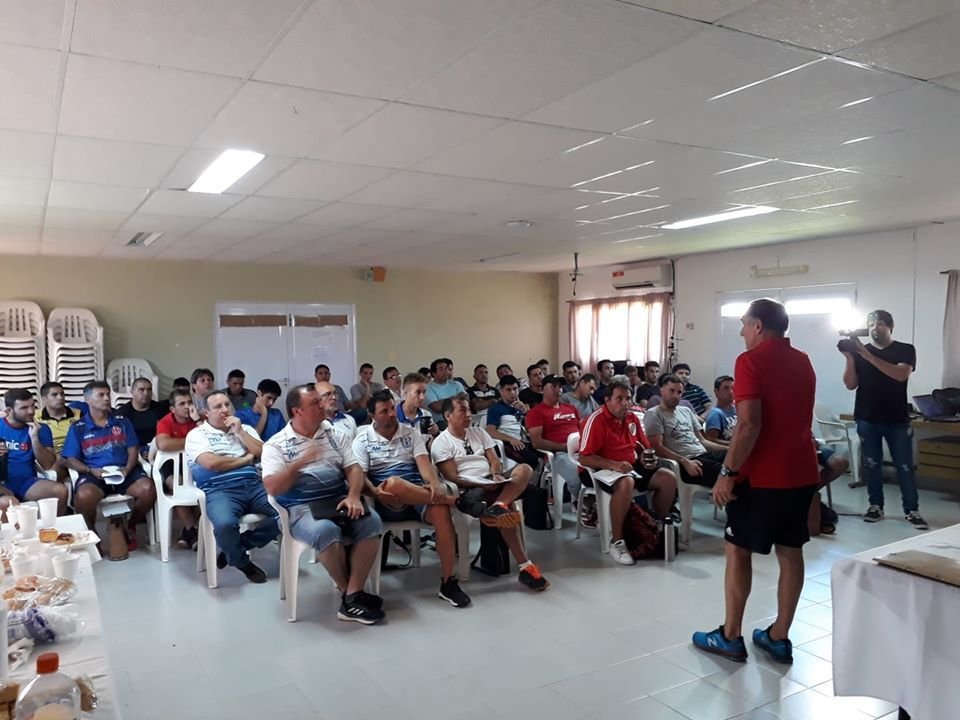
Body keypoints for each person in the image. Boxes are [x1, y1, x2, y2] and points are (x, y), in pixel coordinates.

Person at [692, 298, 820, 665]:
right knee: (790, 551)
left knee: (737, 549)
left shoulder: (750, 361)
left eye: (745, 324)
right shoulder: (803, 360)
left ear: (760, 326)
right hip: (800, 471)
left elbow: (749, 424)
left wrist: (727, 474)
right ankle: (779, 636)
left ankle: (730, 636)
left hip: (762, 476)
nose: (742, 331)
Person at [262, 383, 385, 625]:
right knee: (326, 531)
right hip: (300, 508)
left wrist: (353, 495)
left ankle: (352, 596)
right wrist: (299, 463)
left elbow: (354, 468)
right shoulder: (276, 444)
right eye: (315, 403)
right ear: (297, 411)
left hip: (336, 500)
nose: (323, 406)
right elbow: (272, 487)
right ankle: (350, 595)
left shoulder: (333, 434)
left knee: (372, 522)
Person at [353, 390, 470, 608]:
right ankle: (456, 501)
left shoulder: (410, 433)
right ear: (372, 416)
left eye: (391, 409)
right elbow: (361, 478)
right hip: (386, 500)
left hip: (418, 497)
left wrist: (434, 483)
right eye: (384, 411)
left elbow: (424, 465)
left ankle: (448, 582)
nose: (391, 414)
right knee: (394, 483)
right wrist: (376, 492)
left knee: (441, 512)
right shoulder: (362, 440)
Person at [431, 394, 549, 592]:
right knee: (508, 510)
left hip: (491, 480)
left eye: (469, 410)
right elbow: (452, 477)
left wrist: (495, 474)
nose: (469, 414)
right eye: (463, 410)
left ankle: (498, 505)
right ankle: (525, 566)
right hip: (470, 489)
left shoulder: (479, 433)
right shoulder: (441, 443)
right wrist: (481, 484)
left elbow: (494, 459)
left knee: (525, 469)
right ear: (448, 415)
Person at [841, 309, 927, 529]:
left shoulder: (905, 350)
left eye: (879, 324)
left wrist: (867, 355)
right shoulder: (861, 352)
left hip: (896, 419)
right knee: (872, 465)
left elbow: (900, 375)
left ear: (890, 327)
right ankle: (875, 506)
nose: (874, 328)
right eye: (871, 324)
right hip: (867, 418)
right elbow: (850, 384)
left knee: (905, 466)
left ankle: (912, 510)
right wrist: (851, 357)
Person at [579, 381, 679, 565]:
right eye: (619, 399)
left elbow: (644, 448)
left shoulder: (632, 418)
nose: (625, 403)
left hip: (629, 466)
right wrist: (613, 465)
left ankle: (655, 525)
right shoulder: (596, 420)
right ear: (607, 400)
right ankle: (617, 541)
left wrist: (647, 459)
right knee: (626, 483)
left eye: (628, 399)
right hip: (598, 468)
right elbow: (584, 458)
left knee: (668, 479)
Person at [184, 391, 278, 584]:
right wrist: (244, 460)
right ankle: (242, 562)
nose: (225, 410)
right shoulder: (197, 435)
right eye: (218, 407)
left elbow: (263, 453)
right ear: (206, 413)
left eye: (227, 404)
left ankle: (237, 547)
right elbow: (211, 463)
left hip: (253, 485)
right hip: (219, 489)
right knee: (226, 524)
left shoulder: (245, 429)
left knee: (288, 510)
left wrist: (240, 432)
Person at [62, 381, 157, 544]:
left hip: (124, 471)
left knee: (148, 489)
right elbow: (69, 459)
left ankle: (131, 526)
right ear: (87, 399)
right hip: (94, 473)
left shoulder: (122, 421)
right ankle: (93, 536)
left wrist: (127, 469)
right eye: (101, 395)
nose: (107, 398)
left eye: (108, 394)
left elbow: (133, 449)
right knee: (84, 496)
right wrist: (90, 470)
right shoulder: (78, 427)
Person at [644, 375, 727, 489]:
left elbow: (703, 441)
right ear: (662, 391)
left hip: (705, 455)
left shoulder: (686, 411)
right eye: (671, 391)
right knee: (730, 475)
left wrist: (729, 450)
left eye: (679, 392)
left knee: (739, 460)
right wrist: (685, 461)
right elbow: (657, 447)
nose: (676, 396)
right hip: (686, 462)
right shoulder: (654, 414)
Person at [0, 389, 67, 515]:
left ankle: (53, 531)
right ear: (9, 410)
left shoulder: (42, 429)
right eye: (24, 408)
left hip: (25, 481)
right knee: (8, 504)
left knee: (60, 491)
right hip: (2, 482)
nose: (31, 411)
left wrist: (35, 438)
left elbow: (47, 465)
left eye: (32, 406)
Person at [526, 375, 582, 504]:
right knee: (578, 476)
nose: (558, 390)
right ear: (542, 390)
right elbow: (536, 442)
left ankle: (594, 502)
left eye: (560, 386)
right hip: (559, 455)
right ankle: (584, 504)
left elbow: (582, 428)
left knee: (600, 470)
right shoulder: (536, 412)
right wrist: (564, 446)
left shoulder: (570, 408)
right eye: (553, 386)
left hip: (581, 450)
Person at [154, 388, 200, 549]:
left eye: (189, 402)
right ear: (173, 409)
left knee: (203, 486)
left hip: (195, 463)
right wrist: (192, 441)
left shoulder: (198, 418)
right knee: (178, 485)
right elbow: (164, 444)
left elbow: (207, 439)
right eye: (182, 404)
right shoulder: (165, 422)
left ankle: (189, 531)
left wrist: (198, 421)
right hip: (172, 466)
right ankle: (193, 531)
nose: (187, 406)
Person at [485, 375, 540, 468]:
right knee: (532, 459)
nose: (513, 393)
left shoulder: (519, 406)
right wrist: (510, 439)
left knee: (544, 452)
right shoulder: (496, 408)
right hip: (504, 443)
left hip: (519, 441)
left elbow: (529, 429)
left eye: (515, 389)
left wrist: (526, 413)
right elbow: (490, 432)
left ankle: (539, 481)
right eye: (508, 390)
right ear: (501, 391)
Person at [116, 377, 168, 456]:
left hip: (158, 451)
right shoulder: (122, 413)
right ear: (132, 392)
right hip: (132, 453)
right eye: (141, 390)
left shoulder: (161, 410)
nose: (146, 393)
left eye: (149, 389)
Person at [33, 382, 83, 457]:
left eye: (62, 394)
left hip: (75, 456)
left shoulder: (78, 414)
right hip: (49, 457)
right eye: (54, 395)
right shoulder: (35, 417)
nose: (60, 397)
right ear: (44, 399)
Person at [396, 372, 438, 437]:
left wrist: (435, 434)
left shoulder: (426, 415)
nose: (422, 397)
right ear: (405, 391)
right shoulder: (393, 416)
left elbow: (428, 445)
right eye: (417, 392)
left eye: (424, 392)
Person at [704, 376, 737, 444]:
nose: (731, 392)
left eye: (733, 388)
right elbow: (711, 440)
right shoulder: (715, 414)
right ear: (716, 392)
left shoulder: (738, 409)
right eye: (726, 388)